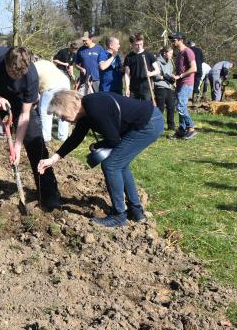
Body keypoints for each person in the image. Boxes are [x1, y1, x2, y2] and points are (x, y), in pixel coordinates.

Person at [37, 90, 163, 227]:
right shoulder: (86, 111)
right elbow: (75, 138)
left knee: (111, 165)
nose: (61, 119)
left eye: (60, 115)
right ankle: (136, 211)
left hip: (147, 124)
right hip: (148, 121)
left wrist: (96, 145)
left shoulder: (94, 107)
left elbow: (113, 140)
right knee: (120, 164)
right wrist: (53, 159)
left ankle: (118, 215)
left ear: (70, 105)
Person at [0, 46, 61, 210]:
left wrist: (17, 146)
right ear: (5, 62)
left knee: (36, 142)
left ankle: (48, 193)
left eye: (20, 75)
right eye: (13, 74)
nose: (16, 77)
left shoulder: (31, 76)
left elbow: (25, 115)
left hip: (20, 103)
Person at [34, 58, 71, 142]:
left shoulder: (34, 67)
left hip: (50, 85)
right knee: (63, 110)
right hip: (65, 82)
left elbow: (33, 85)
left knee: (46, 111)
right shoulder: (46, 63)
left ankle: (46, 137)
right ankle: (63, 136)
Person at [170, 32, 197, 139]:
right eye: (172, 40)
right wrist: (175, 77)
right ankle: (182, 129)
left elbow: (194, 68)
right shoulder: (179, 53)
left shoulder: (188, 51)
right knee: (181, 106)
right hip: (180, 83)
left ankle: (191, 128)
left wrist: (180, 76)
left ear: (181, 40)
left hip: (187, 83)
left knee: (180, 106)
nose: (172, 42)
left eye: (174, 40)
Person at [123, 32, 157, 101]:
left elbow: (157, 70)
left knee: (146, 108)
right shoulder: (129, 57)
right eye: (137, 45)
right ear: (132, 44)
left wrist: (150, 73)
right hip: (133, 88)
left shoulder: (148, 55)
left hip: (146, 87)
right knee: (133, 109)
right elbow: (127, 74)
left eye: (141, 44)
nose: (139, 46)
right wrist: (127, 88)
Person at [151, 46, 177, 131]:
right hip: (160, 86)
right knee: (160, 107)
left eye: (172, 53)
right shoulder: (157, 62)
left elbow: (170, 74)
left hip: (168, 86)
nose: (171, 55)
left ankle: (171, 126)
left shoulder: (170, 62)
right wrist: (164, 77)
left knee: (171, 106)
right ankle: (158, 126)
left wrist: (172, 79)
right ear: (164, 53)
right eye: (170, 53)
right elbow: (155, 76)